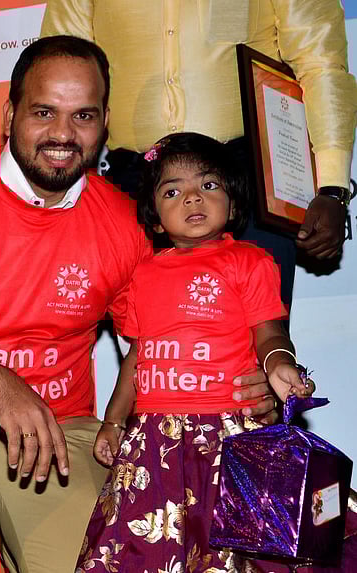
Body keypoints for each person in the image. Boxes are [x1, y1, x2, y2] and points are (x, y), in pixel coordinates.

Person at [0, 36, 276, 573]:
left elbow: (155, 346)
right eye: (43, 112)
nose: (62, 134)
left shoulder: (126, 221)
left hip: (59, 444)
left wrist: (251, 382)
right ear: (10, 114)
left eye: (82, 115)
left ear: (104, 123)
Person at [78, 132, 315, 572]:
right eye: (173, 191)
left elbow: (269, 333)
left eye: (208, 186)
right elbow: (136, 357)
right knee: (142, 553)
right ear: (154, 218)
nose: (192, 199)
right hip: (152, 440)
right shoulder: (140, 275)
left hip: (228, 434)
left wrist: (279, 362)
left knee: (234, 554)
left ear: (233, 204)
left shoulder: (251, 261)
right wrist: (113, 421)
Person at [41, 0, 357, 312]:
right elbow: (59, 68)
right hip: (133, 188)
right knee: (149, 347)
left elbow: (320, 61)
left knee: (258, 344)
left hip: (250, 181)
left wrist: (332, 186)